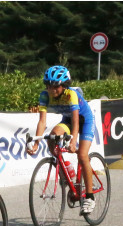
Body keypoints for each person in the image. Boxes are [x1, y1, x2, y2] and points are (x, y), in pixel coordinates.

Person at [26, 65, 96, 214]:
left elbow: (77, 122)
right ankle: (67, 172)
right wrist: (37, 143)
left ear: (64, 86)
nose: (52, 90)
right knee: (52, 137)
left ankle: (89, 197)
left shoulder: (71, 95)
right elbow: (42, 122)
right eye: (48, 86)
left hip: (85, 121)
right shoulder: (44, 95)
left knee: (82, 155)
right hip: (68, 121)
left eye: (55, 87)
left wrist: (73, 141)